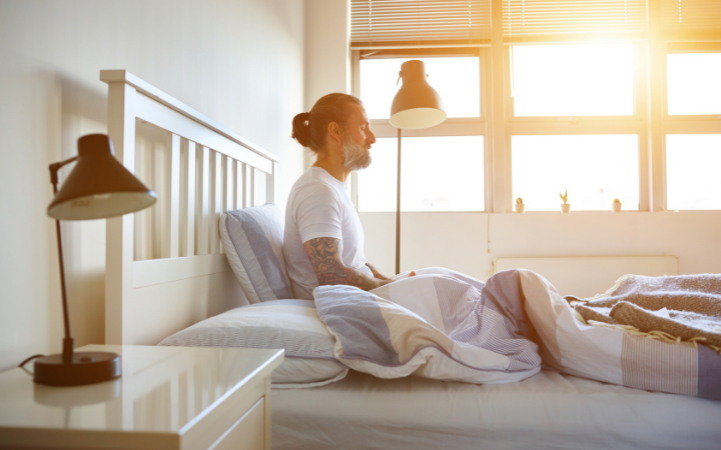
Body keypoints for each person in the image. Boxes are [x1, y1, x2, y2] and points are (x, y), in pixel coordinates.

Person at [284, 93, 397, 300]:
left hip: (352, 296)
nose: (372, 138)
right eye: (363, 128)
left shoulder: (331, 187)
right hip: (340, 303)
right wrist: (388, 290)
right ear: (336, 131)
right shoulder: (317, 191)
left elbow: (352, 260)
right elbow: (330, 274)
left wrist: (385, 280)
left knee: (441, 279)